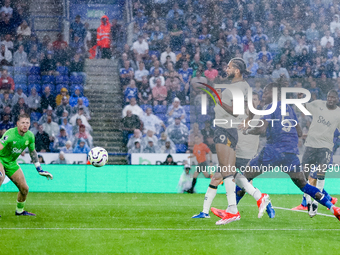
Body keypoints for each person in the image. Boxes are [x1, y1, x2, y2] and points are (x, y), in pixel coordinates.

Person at [213, 82, 340, 222]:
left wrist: (248, 130)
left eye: (266, 93)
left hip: (273, 150)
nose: (263, 95)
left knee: (244, 177)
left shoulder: (270, 107)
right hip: (290, 153)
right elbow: (298, 132)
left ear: (274, 94)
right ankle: (334, 208)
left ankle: (232, 211)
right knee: (304, 185)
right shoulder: (290, 109)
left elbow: (261, 129)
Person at [192, 58, 251, 224]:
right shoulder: (242, 86)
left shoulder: (238, 87)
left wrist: (219, 101)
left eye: (230, 67)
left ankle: (233, 209)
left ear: (237, 70)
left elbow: (237, 111)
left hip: (224, 128)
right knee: (227, 171)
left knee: (226, 171)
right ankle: (233, 209)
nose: (226, 69)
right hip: (228, 129)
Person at [291, 90, 340, 215]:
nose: (330, 99)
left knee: (320, 174)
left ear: (337, 99)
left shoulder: (338, 113)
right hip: (310, 145)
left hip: (326, 147)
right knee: (304, 175)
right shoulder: (318, 104)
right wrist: (299, 100)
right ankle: (308, 202)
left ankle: (316, 203)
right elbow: (302, 108)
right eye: (329, 96)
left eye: (333, 97)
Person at [0, 114, 53, 217]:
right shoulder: (10, 134)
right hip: (1, 159)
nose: (25, 125)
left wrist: (39, 169)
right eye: (23, 123)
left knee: (24, 188)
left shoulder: (30, 136)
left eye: (27, 123)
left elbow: (33, 152)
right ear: (18, 124)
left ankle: (19, 212)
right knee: (0, 177)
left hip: (12, 163)